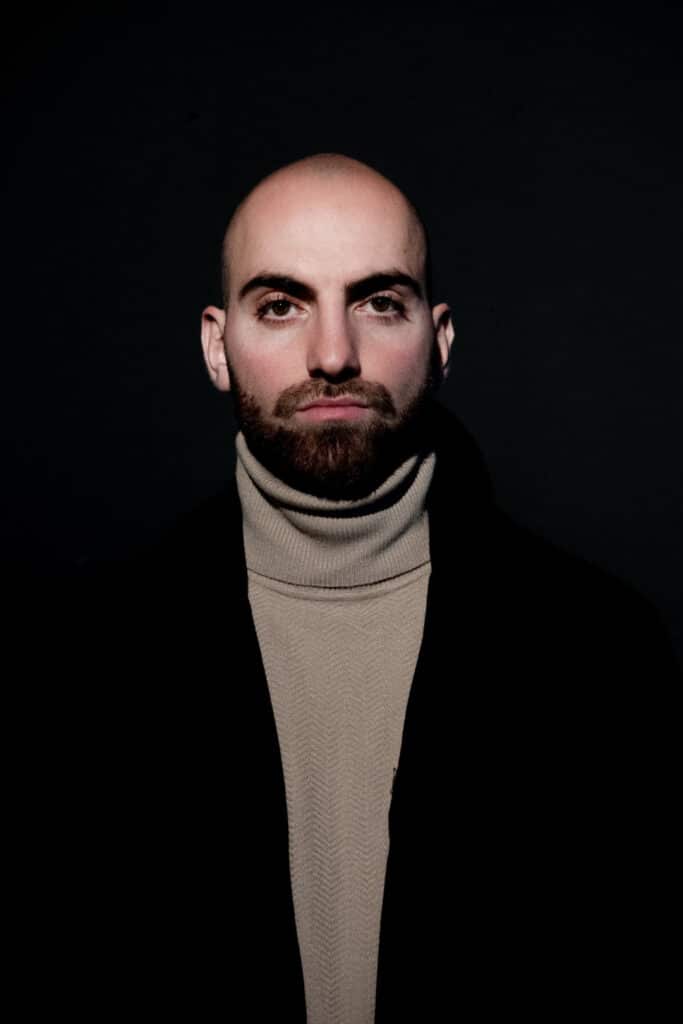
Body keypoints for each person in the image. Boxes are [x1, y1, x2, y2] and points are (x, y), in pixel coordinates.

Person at [25, 153, 679, 1022]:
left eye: (377, 303)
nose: (332, 355)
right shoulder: (76, 663)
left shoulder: (601, 652)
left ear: (439, 342)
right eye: (281, 305)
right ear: (217, 347)